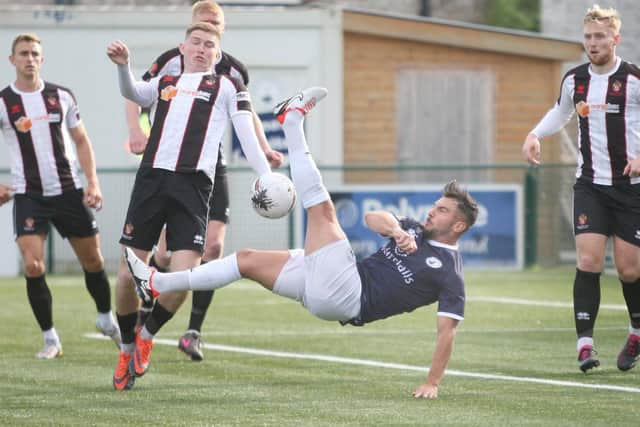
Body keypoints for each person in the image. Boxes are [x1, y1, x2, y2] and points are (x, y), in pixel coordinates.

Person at [124, 86, 479, 399]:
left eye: (443, 211)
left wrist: (432, 382)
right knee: (245, 259)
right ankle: (156, 282)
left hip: (349, 296)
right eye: (435, 206)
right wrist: (397, 231)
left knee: (323, 212)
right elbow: (375, 219)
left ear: (459, 224)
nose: (433, 213)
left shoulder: (450, 273)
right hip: (330, 282)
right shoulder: (415, 230)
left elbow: (446, 333)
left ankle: (291, 121)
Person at [107, 22, 273, 390]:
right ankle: (127, 346)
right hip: (151, 181)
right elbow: (134, 91)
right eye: (195, 42)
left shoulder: (228, 86)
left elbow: (245, 131)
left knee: (185, 277)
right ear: (182, 48)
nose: (201, 48)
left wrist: (266, 175)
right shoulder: (166, 82)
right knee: (125, 275)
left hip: (194, 187)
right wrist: (123, 66)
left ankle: (148, 334)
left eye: (208, 44)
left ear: (218, 53)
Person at [522, 5, 640, 373]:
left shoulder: (634, 79)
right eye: (588, 36)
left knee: (629, 270)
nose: (593, 43)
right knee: (588, 262)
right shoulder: (575, 80)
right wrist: (534, 134)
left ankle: (636, 332)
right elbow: (560, 112)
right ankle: (585, 346)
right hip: (590, 184)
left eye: (600, 36)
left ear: (615, 39)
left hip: (631, 189)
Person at [0, 33, 121, 359]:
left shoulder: (61, 96)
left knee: (93, 261)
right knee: (33, 265)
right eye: (23, 53)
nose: (29, 59)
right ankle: (50, 338)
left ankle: (106, 317)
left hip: (68, 191)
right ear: (12, 60)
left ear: (42, 59)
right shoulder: (3, 102)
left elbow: (82, 141)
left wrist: (93, 183)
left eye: (34, 53)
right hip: (29, 195)